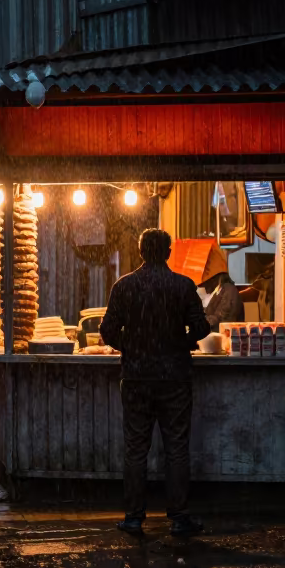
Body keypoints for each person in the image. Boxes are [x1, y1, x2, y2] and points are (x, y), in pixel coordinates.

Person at [100, 229, 211, 537]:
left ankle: (134, 518)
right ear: (168, 252)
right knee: (177, 447)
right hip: (175, 378)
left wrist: (133, 347)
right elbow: (201, 327)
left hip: (136, 378)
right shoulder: (182, 285)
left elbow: (107, 330)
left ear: (140, 252)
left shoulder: (125, 286)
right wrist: (180, 342)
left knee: (135, 449)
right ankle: (178, 517)